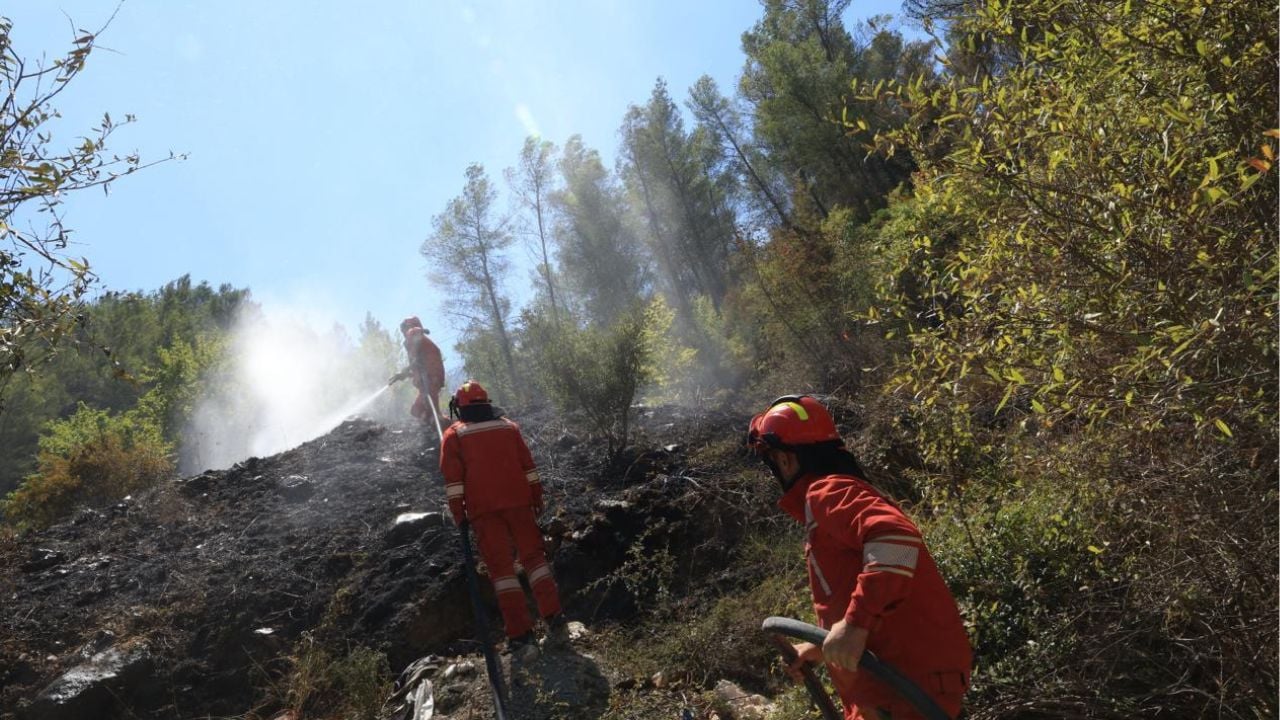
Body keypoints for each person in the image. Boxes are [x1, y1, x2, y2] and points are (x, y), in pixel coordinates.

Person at [746, 395, 972, 720]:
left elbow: (897, 539)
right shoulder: (831, 503)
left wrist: (855, 625)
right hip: (887, 691)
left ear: (785, 461)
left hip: (900, 693)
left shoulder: (827, 492)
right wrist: (822, 646)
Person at [439, 380, 567, 655]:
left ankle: (521, 634)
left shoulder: (454, 436)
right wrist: (536, 496)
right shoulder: (509, 427)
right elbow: (528, 466)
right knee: (535, 561)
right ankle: (554, 617)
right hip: (519, 503)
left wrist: (459, 514)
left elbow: (454, 482)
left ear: (460, 407)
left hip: (484, 511)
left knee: (502, 572)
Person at [390, 316, 446, 425]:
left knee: (428, 412)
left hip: (430, 379)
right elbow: (418, 366)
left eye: (403, 330)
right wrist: (404, 375)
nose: (404, 334)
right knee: (418, 411)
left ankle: (440, 430)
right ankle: (437, 426)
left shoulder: (413, 333)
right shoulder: (421, 345)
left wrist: (403, 372)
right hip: (430, 380)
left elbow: (415, 335)